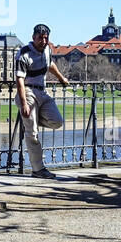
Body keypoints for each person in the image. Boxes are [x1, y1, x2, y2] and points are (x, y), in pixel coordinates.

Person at [15, 23, 70, 180]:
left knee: (57, 121)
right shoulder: (24, 54)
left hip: (42, 92)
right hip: (27, 91)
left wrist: (61, 78)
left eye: (46, 38)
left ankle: (32, 120)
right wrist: (24, 103)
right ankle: (38, 169)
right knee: (32, 133)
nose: (44, 41)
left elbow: (50, 64)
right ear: (33, 37)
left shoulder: (47, 50)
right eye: (40, 38)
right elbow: (19, 80)